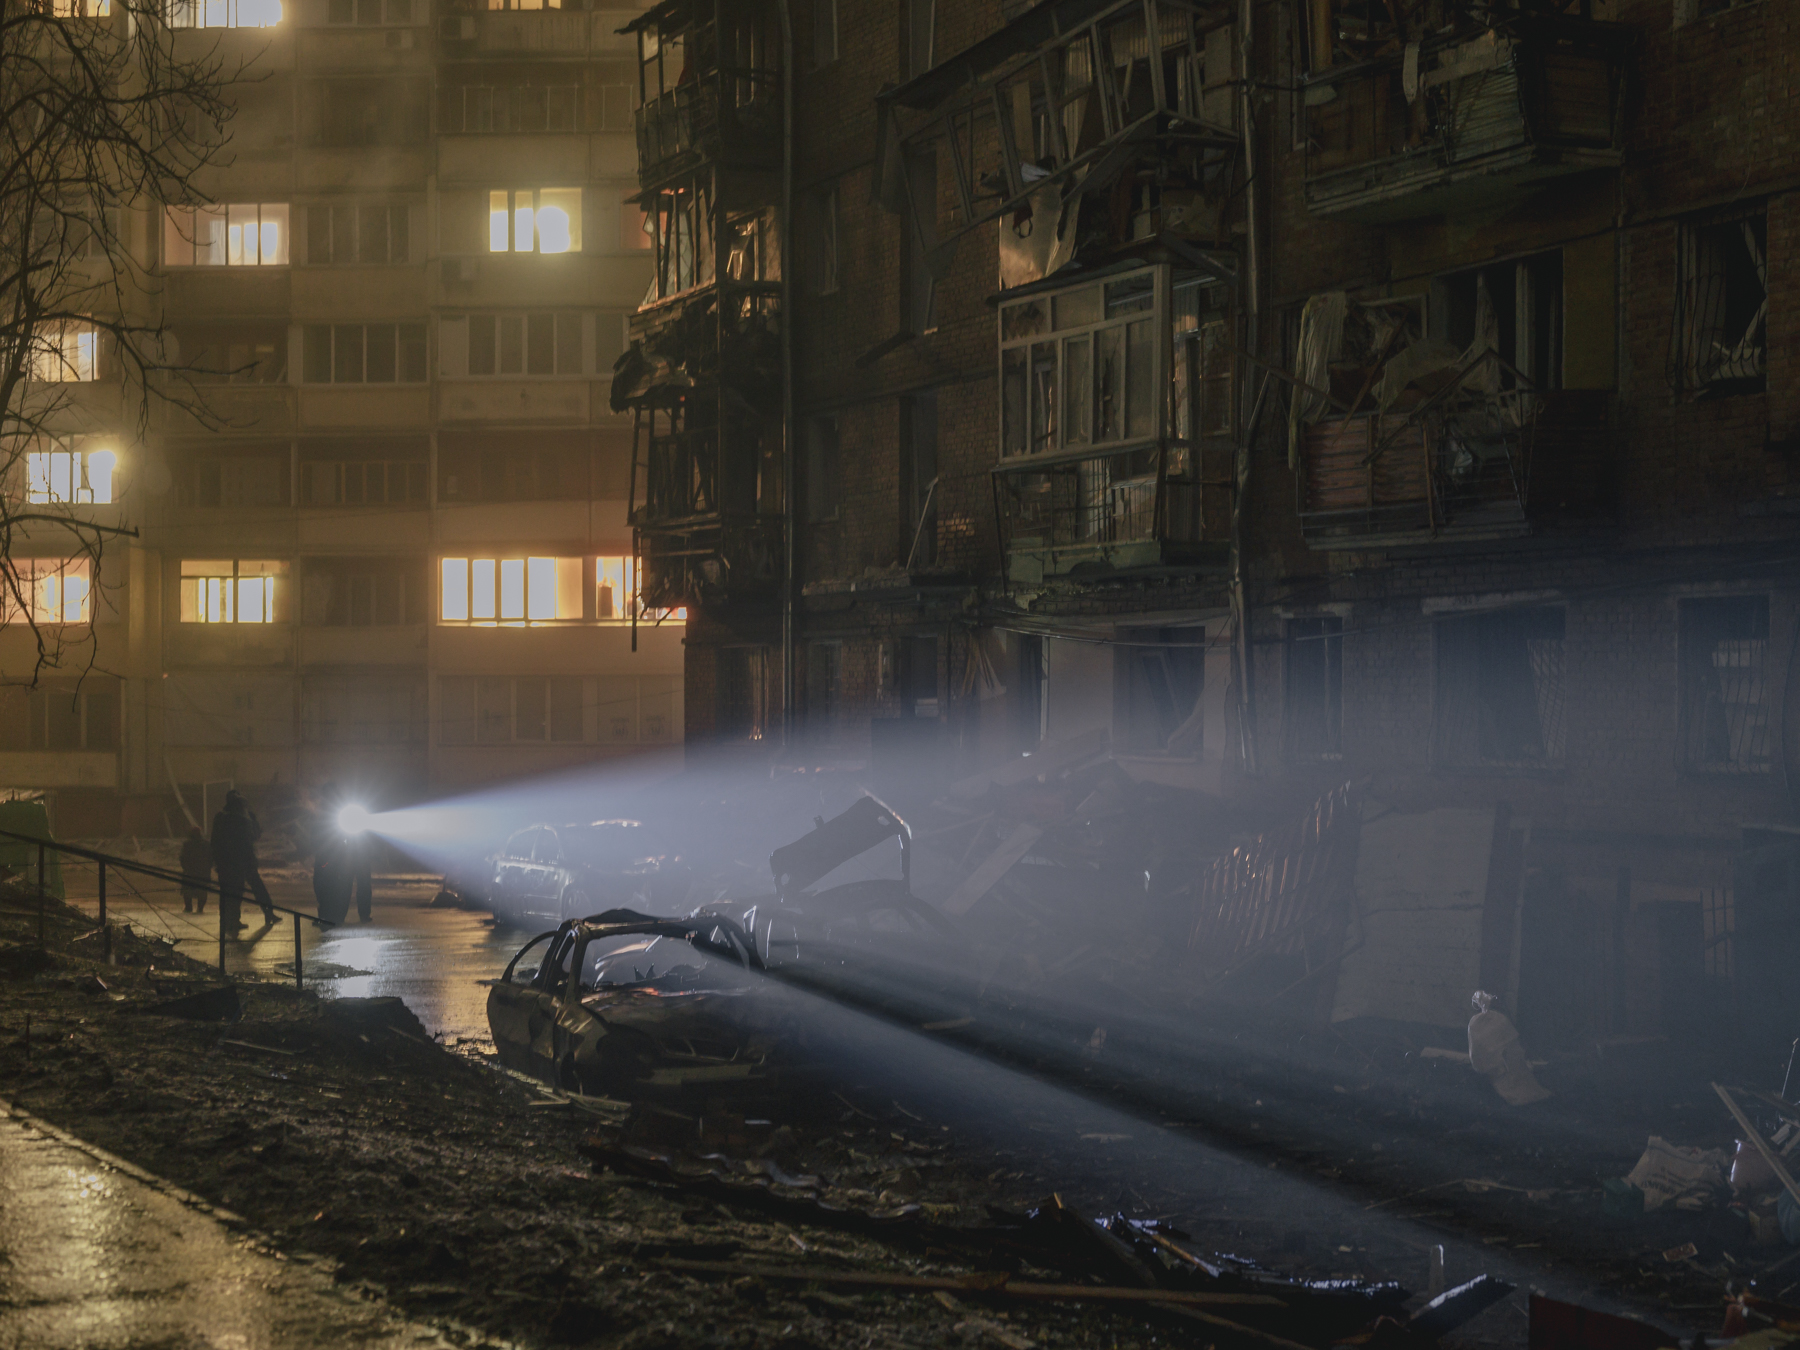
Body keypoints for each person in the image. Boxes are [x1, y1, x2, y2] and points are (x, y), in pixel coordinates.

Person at [211, 790, 276, 932]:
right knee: (239, 891)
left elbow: (215, 841)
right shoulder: (240, 817)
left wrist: (216, 860)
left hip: (230, 861)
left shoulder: (224, 817)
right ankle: (234, 921)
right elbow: (251, 837)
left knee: (229, 893)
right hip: (240, 861)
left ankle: (229, 922)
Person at [178, 826, 213, 914]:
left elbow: (183, 857)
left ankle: (188, 907)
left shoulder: (187, 844)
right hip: (203, 872)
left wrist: (185, 867)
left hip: (190, 871)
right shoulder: (206, 844)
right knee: (202, 891)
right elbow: (210, 858)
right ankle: (200, 908)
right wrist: (208, 868)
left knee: (188, 890)